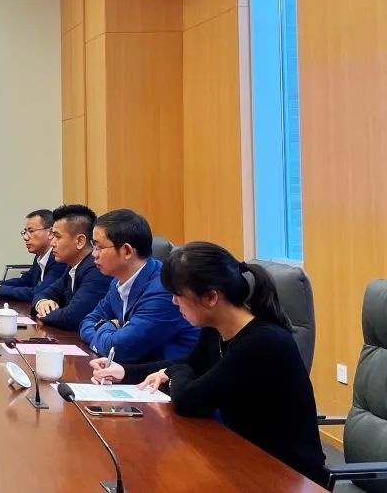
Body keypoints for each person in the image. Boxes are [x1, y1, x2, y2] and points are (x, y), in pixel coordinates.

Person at [90, 242, 328, 487]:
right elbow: (188, 363)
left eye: (178, 295)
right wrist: (126, 371)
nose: (174, 302)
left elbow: (190, 400)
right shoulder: (216, 329)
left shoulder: (263, 342)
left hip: (285, 474)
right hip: (239, 455)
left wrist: (173, 371)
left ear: (211, 297)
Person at [79, 209, 199, 362]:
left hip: (167, 374)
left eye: (99, 247)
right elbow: (87, 322)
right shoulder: (117, 282)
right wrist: (110, 331)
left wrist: (106, 326)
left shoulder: (163, 290)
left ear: (127, 251)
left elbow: (119, 350)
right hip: (134, 371)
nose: (93, 254)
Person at [31, 204, 110, 330]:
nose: (52, 243)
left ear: (80, 241)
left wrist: (44, 314)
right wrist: (42, 303)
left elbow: (73, 317)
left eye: (57, 236)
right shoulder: (72, 267)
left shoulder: (97, 270)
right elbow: (43, 293)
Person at [0, 209, 67, 302]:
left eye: (31, 231)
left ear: (50, 232)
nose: (25, 237)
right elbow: (26, 281)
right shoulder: (40, 255)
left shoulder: (59, 259)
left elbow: (41, 293)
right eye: (25, 232)